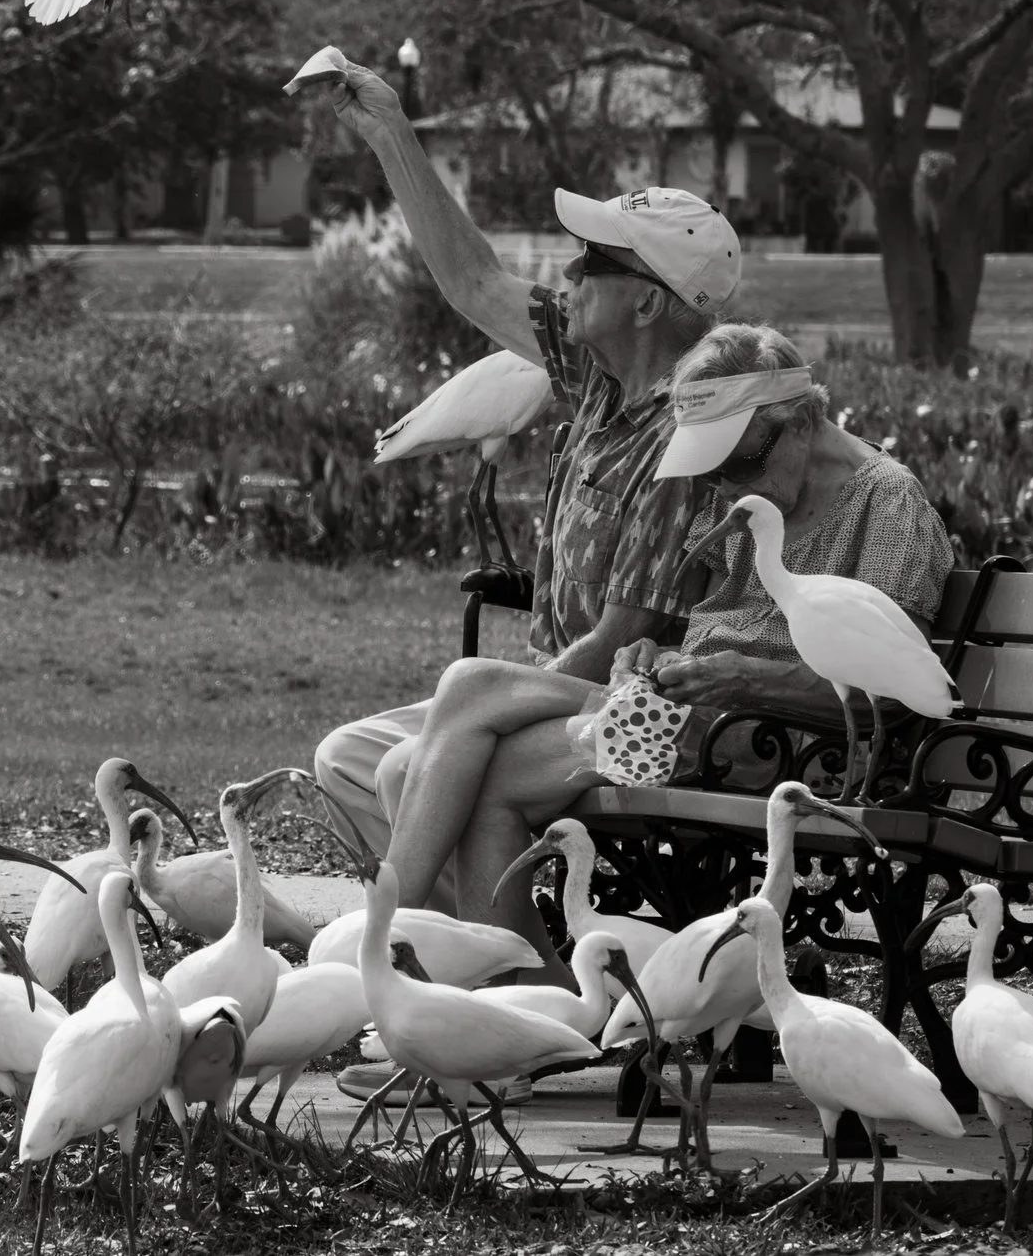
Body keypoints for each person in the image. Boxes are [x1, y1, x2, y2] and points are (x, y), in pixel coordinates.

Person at [334, 323, 956, 1100]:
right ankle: (503, 1023)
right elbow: (696, 622)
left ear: (798, 417)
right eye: (716, 464)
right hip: (693, 715)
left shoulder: (885, 499)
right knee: (468, 702)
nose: (725, 480)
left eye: (740, 458)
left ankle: (431, 1001)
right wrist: (649, 654)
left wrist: (747, 679)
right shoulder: (751, 498)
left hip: (780, 744)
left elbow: (893, 690)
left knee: (472, 731)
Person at [306, 51, 738, 882]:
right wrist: (391, 131)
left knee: (409, 770)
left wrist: (488, 705)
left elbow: (622, 641)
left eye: (595, 263)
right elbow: (472, 279)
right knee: (347, 757)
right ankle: (461, 947)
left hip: (615, 705)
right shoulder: (596, 378)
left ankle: (451, 968)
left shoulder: (686, 435)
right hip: (543, 692)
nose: (568, 273)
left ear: (648, 303)